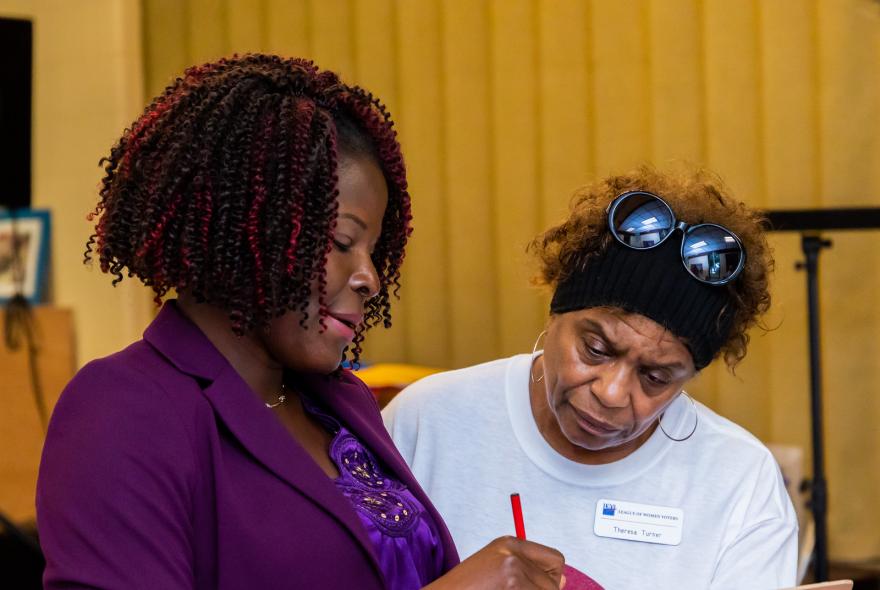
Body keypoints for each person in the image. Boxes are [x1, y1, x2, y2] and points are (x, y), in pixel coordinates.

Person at [36, 54, 566, 590]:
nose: (370, 278)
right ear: (248, 225)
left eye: (374, 251)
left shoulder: (341, 403)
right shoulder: (125, 409)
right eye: (342, 242)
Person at [384, 166, 798, 590]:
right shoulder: (425, 423)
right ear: (555, 310)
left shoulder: (739, 481)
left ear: (690, 375)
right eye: (595, 350)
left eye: (655, 377)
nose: (612, 393)